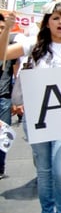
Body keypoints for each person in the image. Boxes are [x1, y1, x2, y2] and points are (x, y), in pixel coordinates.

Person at [0, 1, 61, 213]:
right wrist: (8, 28)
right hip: (37, 120)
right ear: (47, 22)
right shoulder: (32, 45)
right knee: (44, 171)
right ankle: (47, 210)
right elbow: (1, 54)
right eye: (56, 18)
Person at [0, 12, 18, 179]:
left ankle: (0, 166)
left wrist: (15, 100)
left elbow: (16, 72)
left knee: (4, 135)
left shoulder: (10, 49)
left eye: (2, 28)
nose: (0, 30)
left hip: (4, 99)